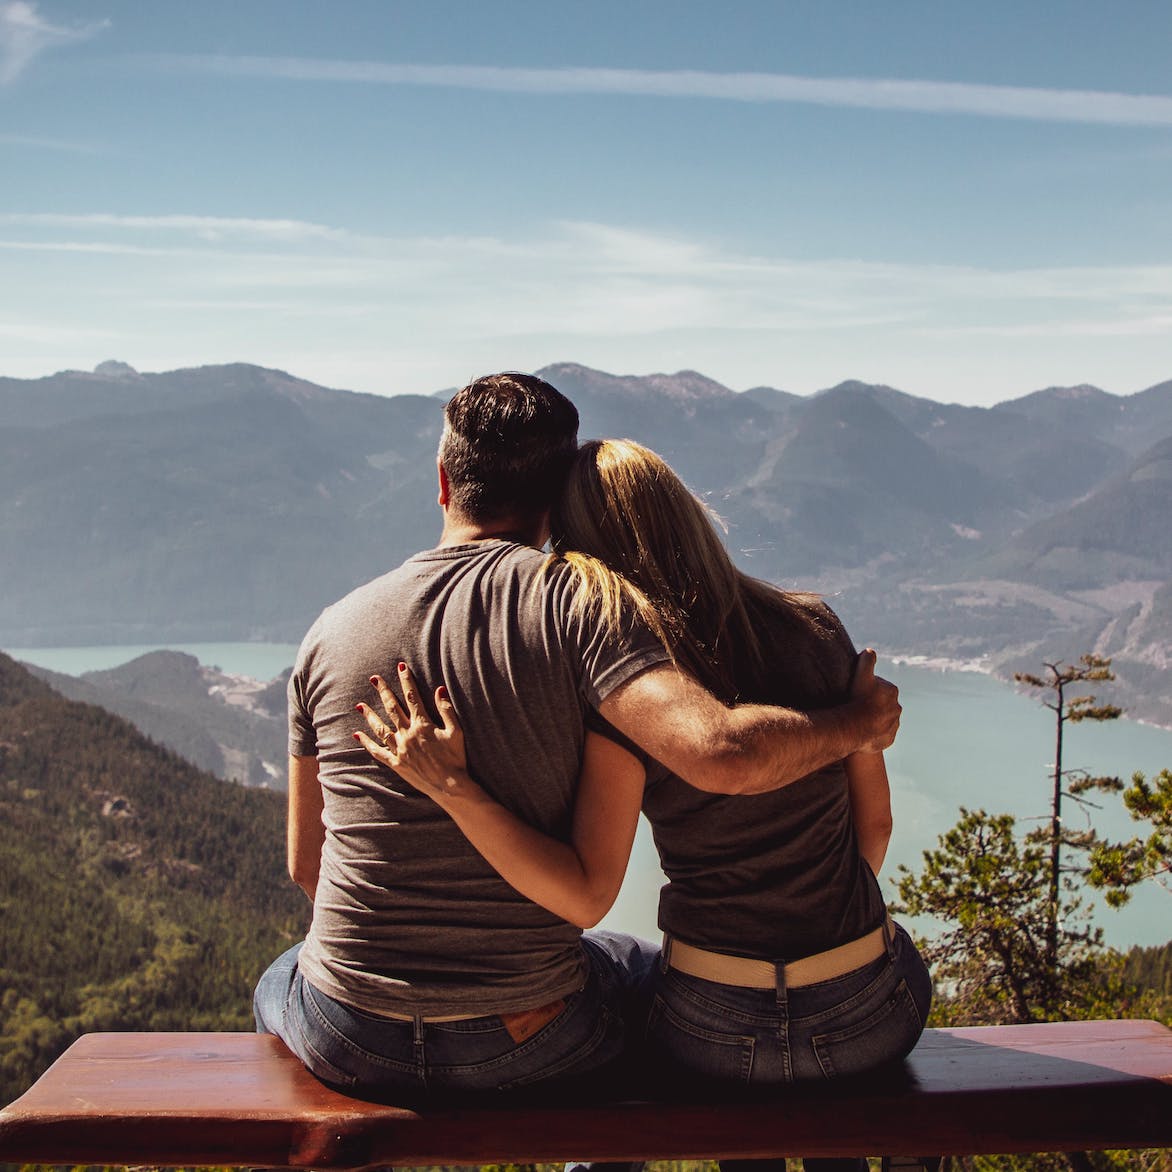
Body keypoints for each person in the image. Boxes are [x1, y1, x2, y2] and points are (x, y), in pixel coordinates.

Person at [255, 374, 903, 1105]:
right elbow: (715, 762)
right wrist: (859, 724)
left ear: (442, 482)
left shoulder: (327, 633)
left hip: (350, 1034)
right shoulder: (585, 611)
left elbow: (309, 868)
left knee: (281, 976)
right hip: (528, 1035)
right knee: (629, 970)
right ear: (557, 494)